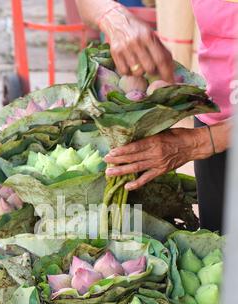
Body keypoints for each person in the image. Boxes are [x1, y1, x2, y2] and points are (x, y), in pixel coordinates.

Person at [76, 0, 237, 234]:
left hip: (217, 137)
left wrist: (200, 142)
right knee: (223, 251)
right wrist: (112, 17)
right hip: (217, 121)